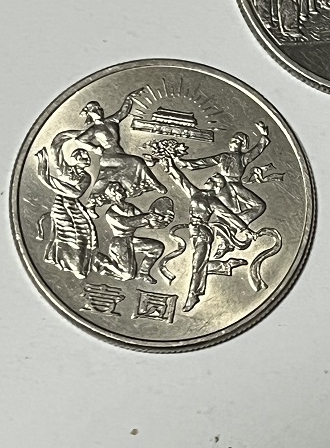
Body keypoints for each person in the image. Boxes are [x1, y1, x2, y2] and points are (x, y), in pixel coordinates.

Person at [164, 160, 252, 312]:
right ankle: (226, 265)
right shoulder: (195, 193)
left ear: (217, 186)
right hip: (193, 232)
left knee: (197, 264)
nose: (208, 179)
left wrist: (244, 229)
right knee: (199, 263)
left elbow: (229, 216)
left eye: (212, 180)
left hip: (203, 233)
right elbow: (181, 180)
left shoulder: (212, 201)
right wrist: (171, 166)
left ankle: (193, 295)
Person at [55, 91, 166, 208]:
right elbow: (79, 140)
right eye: (95, 109)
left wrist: (129, 98)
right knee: (137, 161)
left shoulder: (112, 121)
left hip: (118, 153)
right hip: (108, 156)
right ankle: (155, 184)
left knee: (111, 176)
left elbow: (123, 112)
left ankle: (93, 203)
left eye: (99, 108)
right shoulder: (93, 129)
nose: (99, 111)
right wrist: (94, 148)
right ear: (90, 114)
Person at [174, 127, 270, 252]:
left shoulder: (243, 158)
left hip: (237, 186)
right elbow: (206, 161)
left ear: (242, 145)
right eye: (232, 140)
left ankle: (232, 227)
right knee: (228, 211)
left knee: (259, 206)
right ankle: (226, 238)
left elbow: (256, 151)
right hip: (224, 187)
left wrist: (263, 136)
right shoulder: (223, 157)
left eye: (236, 141)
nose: (232, 143)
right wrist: (186, 164)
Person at [35, 145, 103, 279]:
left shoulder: (86, 177)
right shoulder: (65, 170)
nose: (88, 159)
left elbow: (75, 193)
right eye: (83, 157)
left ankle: (81, 265)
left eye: (88, 157)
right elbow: (56, 148)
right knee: (67, 233)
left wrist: (50, 181)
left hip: (73, 205)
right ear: (75, 159)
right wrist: (43, 166)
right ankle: (71, 264)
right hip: (61, 206)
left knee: (85, 233)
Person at [101, 181, 174, 284]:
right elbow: (127, 223)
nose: (123, 191)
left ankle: (143, 273)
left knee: (157, 247)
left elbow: (145, 222)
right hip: (119, 243)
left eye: (121, 189)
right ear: (113, 195)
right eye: (119, 190)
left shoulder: (130, 207)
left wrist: (160, 221)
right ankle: (103, 264)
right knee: (127, 275)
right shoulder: (110, 213)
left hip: (131, 240)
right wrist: (147, 217)